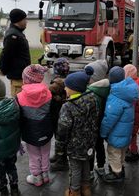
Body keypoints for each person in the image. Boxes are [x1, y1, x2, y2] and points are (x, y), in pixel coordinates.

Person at [55, 67, 99, 196]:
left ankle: (74, 191)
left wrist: (59, 149)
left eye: (66, 87)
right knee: (86, 164)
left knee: (75, 169)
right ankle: (86, 188)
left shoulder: (68, 106)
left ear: (74, 89)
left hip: (74, 146)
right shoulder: (93, 99)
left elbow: (62, 130)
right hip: (89, 143)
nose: (64, 89)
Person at [100, 66, 139, 183]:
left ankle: (116, 174)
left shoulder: (115, 97)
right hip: (125, 132)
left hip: (116, 134)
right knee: (122, 152)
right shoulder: (128, 92)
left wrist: (103, 132)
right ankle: (121, 168)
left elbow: (109, 119)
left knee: (113, 153)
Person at [17, 64, 53, 187]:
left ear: (26, 79)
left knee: (33, 155)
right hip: (46, 130)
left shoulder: (19, 96)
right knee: (45, 152)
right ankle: (45, 174)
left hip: (30, 132)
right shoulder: (48, 93)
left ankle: (36, 177)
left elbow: (19, 117)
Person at [85, 60, 110, 179]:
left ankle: (89, 171)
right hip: (101, 125)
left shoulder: (91, 91)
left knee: (90, 148)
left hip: (91, 126)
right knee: (100, 146)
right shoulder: (106, 88)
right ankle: (100, 167)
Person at [0, 8, 31, 97]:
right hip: (17, 77)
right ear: (18, 20)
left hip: (21, 76)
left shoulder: (17, 33)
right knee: (19, 102)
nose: (26, 21)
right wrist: (3, 69)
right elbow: (6, 54)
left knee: (24, 102)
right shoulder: (13, 35)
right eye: (24, 19)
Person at [123, 64, 139, 162]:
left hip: (132, 115)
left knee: (131, 135)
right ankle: (132, 150)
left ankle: (133, 152)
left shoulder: (129, 86)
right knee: (134, 134)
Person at [49, 57, 70, 172]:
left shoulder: (56, 83)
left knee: (59, 138)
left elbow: (48, 95)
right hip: (62, 113)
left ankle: (62, 161)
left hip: (57, 114)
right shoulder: (67, 80)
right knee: (60, 137)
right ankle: (58, 155)